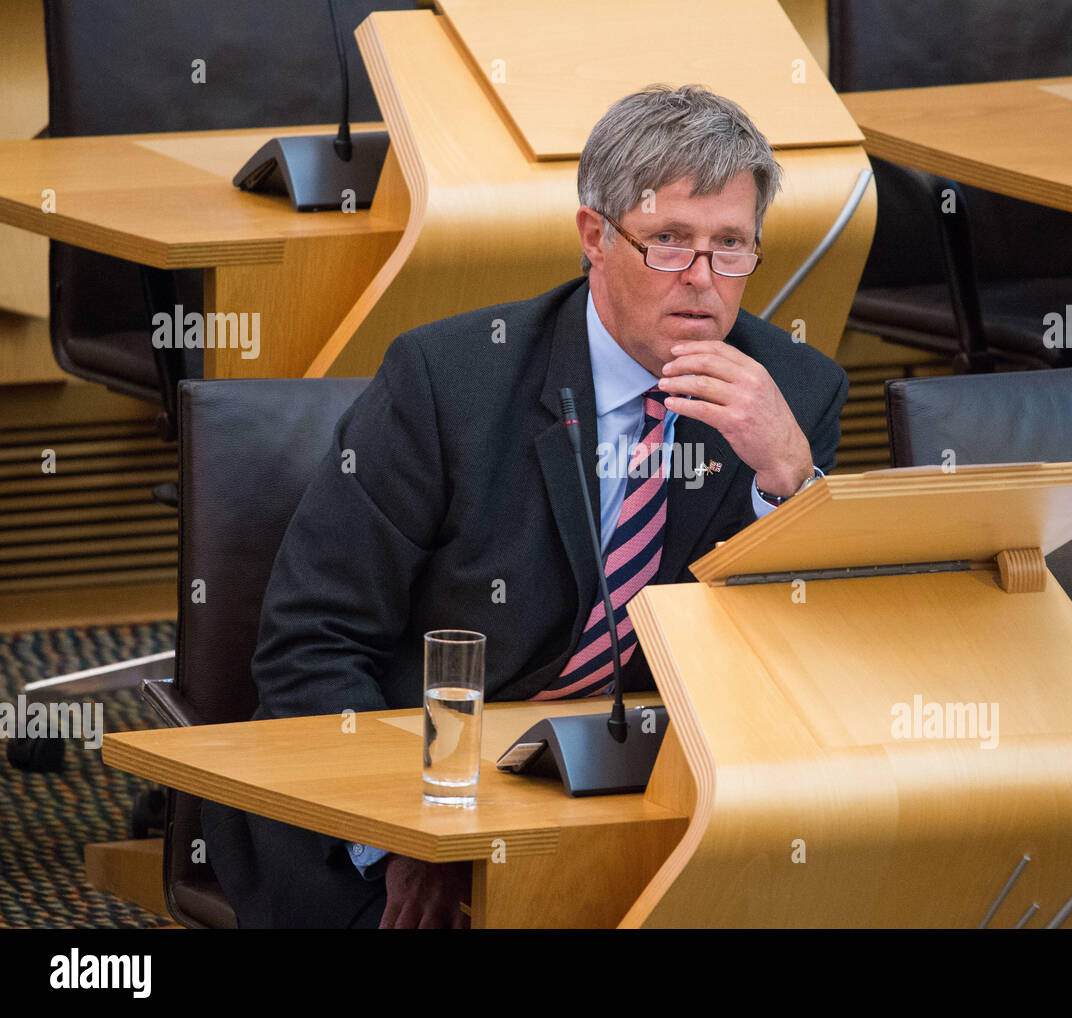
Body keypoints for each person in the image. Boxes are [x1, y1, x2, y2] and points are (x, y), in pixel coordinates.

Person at [201, 84, 849, 928]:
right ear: (594, 237)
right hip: (390, 792)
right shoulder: (448, 382)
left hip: (632, 796)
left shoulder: (793, 395)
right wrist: (417, 832)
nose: (702, 282)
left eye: (730, 246)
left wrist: (789, 487)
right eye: (668, 243)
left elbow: (799, 672)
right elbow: (309, 646)